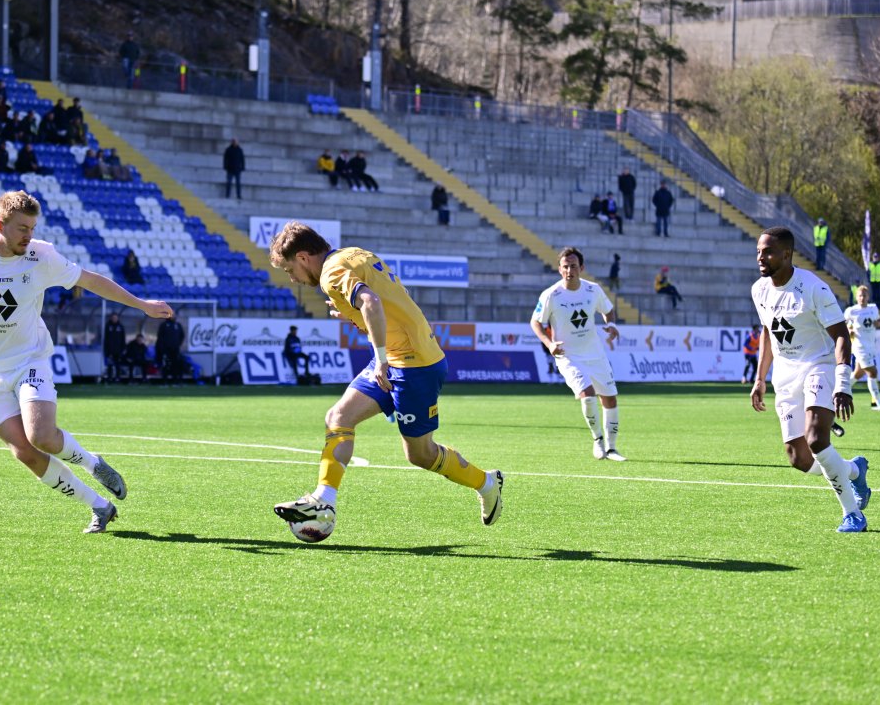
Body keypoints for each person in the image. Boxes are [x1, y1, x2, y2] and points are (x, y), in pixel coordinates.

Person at [0, 190, 173, 533]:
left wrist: (140, 303)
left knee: (42, 436)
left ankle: (93, 464)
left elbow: (91, 280)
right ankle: (99, 506)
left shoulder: (41, 256)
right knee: (24, 451)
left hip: (29, 360)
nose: (29, 235)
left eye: (33, 227)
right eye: (22, 228)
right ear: (0, 225)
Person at [268, 221, 504, 539]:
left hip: (413, 364)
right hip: (397, 356)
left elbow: (372, 302)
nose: (293, 279)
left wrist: (379, 357)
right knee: (338, 416)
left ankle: (486, 483)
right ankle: (324, 500)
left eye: (290, 270)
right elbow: (384, 299)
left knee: (420, 454)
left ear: (304, 256)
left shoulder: (330, 273)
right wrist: (352, 316)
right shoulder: (351, 253)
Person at [750, 226, 871, 533]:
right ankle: (854, 470)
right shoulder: (759, 290)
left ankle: (852, 513)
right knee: (798, 458)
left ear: (787, 254)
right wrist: (760, 378)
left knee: (817, 439)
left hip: (820, 366)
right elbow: (767, 332)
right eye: (759, 252)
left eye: (768, 251)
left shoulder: (814, 288)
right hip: (785, 374)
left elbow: (841, 335)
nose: (761, 257)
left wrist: (843, 383)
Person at [531, 246, 625, 461]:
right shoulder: (551, 295)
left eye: (573, 266)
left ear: (581, 268)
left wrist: (610, 324)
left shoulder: (593, 290)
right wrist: (549, 343)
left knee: (610, 399)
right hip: (568, 356)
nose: (569, 270)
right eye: (565, 266)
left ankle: (612, 448)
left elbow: (608, 309)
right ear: (559, 269)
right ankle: (598, 441)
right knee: (588, 395)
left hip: (595, 354)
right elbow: (535, 321)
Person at [155, 316, 186, 383]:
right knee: (166, 364)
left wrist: (178, 344)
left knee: (175, 364)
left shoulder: (178, 325)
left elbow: (182, 335)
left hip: (175, 349)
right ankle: (164, 381)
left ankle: (175, 380)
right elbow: (160, 337)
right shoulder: (164, 325)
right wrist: (162, 347)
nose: (173, 316)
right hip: (166, 349)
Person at [103, 313, 127, 383]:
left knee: (118, 365)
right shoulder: (108, 326)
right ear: (111, 318)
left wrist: (123, 348)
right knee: (110, 365)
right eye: (113, 318)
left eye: (115, 318)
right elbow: (106, 339)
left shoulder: (120, 326)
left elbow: (123, 338)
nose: (114, 319)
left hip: (118, 350)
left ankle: (118, 378)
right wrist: (106, 349)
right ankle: (109, 378)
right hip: (110, 350)